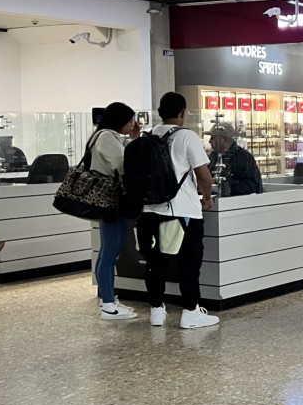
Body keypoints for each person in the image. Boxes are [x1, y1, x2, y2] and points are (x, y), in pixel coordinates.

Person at [136, 92, 218, 330]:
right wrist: (206, 198)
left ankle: (156, 311)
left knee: (155, 263)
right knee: (189, 264)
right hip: (182, 211)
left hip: (149, 211)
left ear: (160, 112)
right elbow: (203, 175)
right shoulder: (186, 137)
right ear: (183, 113)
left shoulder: (148, 136)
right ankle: (191, 311)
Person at [89, 102, 140, 321]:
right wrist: (136, 143)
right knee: (111, 250)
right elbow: (122, 165)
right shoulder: (107, 137)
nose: (132, 124)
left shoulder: (100, 135)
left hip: (106, 200)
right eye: (130, 120)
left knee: (108, 250)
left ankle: (108, 300)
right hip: (110, 199)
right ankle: (108, 304)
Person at [209, 127, 262, 196]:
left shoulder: (243, 157)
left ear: (223, 139)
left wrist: (220, 183)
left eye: (213, 137)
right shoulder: (213, 156)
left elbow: (251, 186)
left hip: (237, 203)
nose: (209, 141)